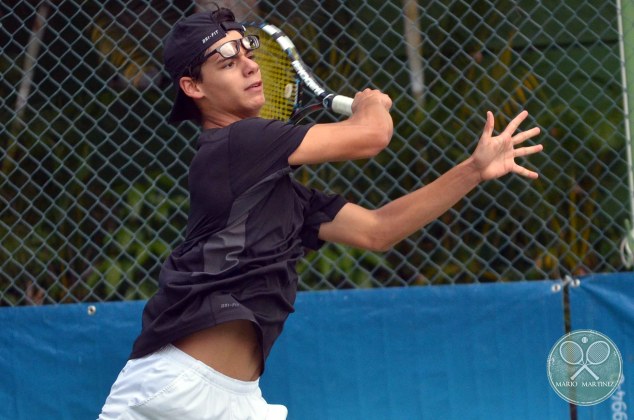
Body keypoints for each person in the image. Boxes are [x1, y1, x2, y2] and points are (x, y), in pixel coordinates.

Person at [99, 6, 542, 420]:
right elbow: (372, 137)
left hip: (238, 400)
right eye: (227, 61)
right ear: (193, 87)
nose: (251, 65)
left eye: (248, 51)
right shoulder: (238, 144)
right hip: (174, 393)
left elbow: (377, 230)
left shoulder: (278, 192)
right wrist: (371, 106)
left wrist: (474, 169)